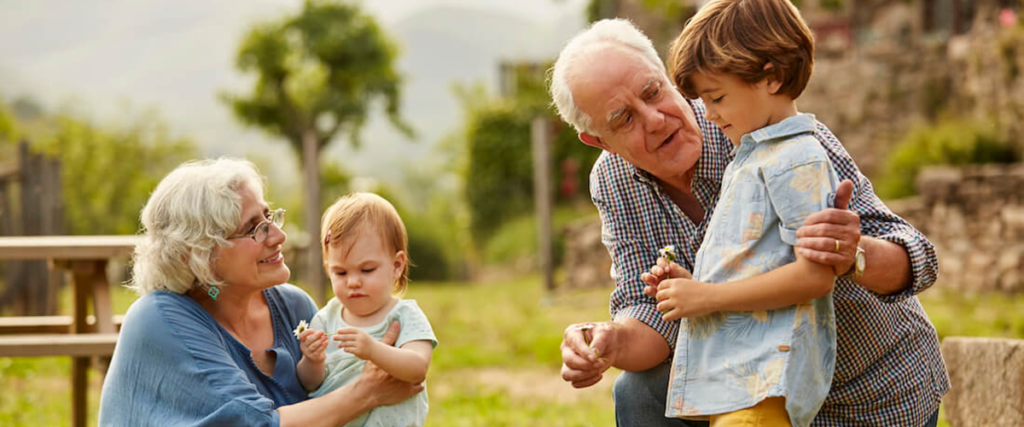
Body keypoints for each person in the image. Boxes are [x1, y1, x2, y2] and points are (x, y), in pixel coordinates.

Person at [549, 18, 947, 427]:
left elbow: (917, 258)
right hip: (749, 390)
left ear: (669, 78)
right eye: (624, 120)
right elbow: (651, 311)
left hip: (865, 391)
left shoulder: (764, 125)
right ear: (599, 140)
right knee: (638, 391)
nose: (654, 119)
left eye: (653, 92)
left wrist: (853, 253)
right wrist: (612, 341)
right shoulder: (613, 180)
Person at [98, 159, 422, 427]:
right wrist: (369, 391)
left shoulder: (294, 307)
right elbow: (255, 424)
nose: (279, 235)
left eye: (270, 216)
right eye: (255, 228)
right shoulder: (158, 320)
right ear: (200, 253)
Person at [654, 1, 839, 425]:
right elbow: (758, 260)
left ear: (771, 77)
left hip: (764, 387)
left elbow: (815, 276)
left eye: (716, 97)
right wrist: (693, 286)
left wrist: (707, 298)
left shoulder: (797, 160)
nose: (709, 113)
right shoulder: (753, 155)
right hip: (740, 381)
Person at [296, 192, 437, 427]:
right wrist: (312, 360)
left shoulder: (404, 316)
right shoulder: (325, 319)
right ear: (327, 268)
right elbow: (310, 384)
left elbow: (417, 368)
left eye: (367, 270)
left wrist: (373, 349)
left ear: (396, 266)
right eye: (340, 273)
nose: (352, 282)